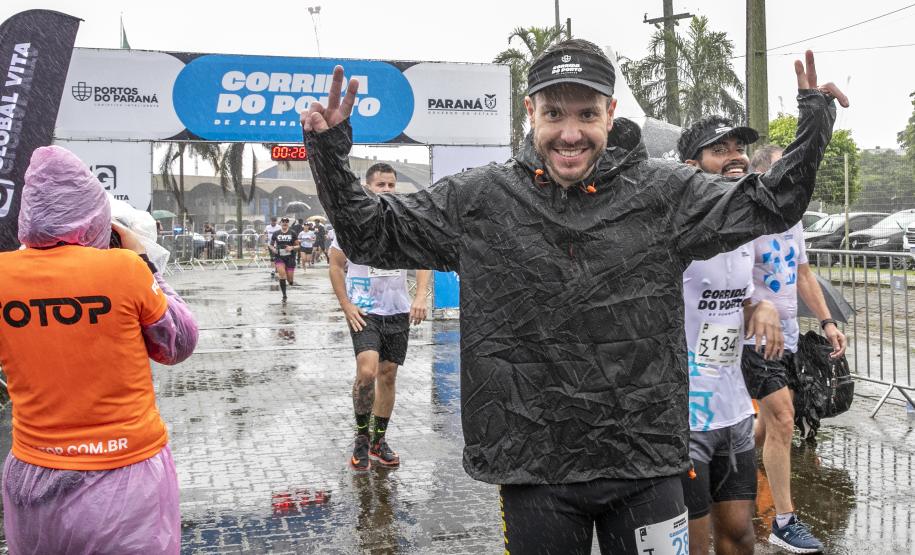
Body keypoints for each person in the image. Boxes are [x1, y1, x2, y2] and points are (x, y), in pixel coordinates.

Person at [302, 40, 846, 553]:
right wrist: (329, 150)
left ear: (610, 115)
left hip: (645, 464)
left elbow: (771, 203)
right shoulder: (481, 200)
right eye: (554, 113)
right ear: (530, 114)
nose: (570, 133)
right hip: (535, 466)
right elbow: (371, 233)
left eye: (586, 115)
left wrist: (814, 117)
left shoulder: (663, 194)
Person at [0, 146, 198, 553]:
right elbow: (177, 343)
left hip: (33, 475)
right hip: (125, 475)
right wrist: (143, 261)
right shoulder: (124, 269)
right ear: (94, 215)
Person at [676, 117, 785, 555]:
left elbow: (738, 299)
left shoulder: (744, 231)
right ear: (690, 167)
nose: (735, 154)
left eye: (738, 146)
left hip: (734, 411)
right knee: (692, 542)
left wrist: (764, 305)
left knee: (741, 534)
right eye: (719, 149)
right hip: (684, 418)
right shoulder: (673, 232)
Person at [741, 143, 848, 554]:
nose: (797, 180)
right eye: (789, 173)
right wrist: (755, 308)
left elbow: (803, 274)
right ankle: (784, 521)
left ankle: (729, 461)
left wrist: (827, 322)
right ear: (767, 177)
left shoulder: (795, 218)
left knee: (769, 425)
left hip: (786, 337)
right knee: (784, 417)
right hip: (754, 338)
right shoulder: (747, 218)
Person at [329, 162, 432, 471]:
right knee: (367, 370)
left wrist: (420, 295)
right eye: (380, 185)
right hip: (364, 310)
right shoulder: (350, 223)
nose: (387, 190)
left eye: (391, 184)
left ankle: (378, 441)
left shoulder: (403, 223)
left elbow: (424, 259)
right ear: (368, 187)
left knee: (388, 375)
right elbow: (335, 266)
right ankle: (361, 437)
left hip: (396, 310)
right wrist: (346, 305)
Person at [269, 217, 299, 301]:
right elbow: (271, 244)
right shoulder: (276, 233)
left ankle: (290, 281)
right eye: (283, 222)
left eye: (286, 222)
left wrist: (292, 247)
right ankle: (284, 295)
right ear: (280, 223)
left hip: (290, 258)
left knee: (290, 280)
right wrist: (273, 249)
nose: (285, 223)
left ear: (288, 223)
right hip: (279, 257)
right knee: (282, 275)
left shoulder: (293, 233)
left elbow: (298, 246)